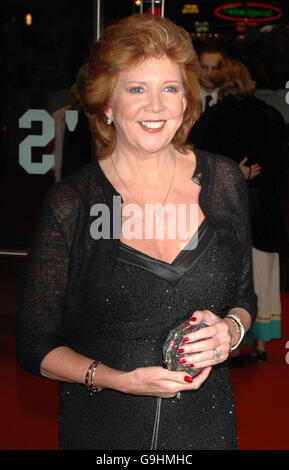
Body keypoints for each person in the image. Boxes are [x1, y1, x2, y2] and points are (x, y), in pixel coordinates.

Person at [15, 14, 256, 450]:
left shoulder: (223, 182)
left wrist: (231, 331)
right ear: (107, 104)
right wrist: (118, 380)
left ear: (187, 101)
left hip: (208, 428)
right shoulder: (72, 203)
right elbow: (35, 346)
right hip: (106, 430)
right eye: (137, 89)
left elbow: (244, 299)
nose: (157, 106)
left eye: (169, 88)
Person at [189, 58, 287, 364]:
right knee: (263, 277)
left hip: (224, 213)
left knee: (231, 275)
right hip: (264, 213)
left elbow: (199, 163)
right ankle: (259, 345)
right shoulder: (271, 116)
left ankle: (228, 338)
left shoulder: (214, 117)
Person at [198, 45, 225, 113]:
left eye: (214, 68)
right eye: (204, 67)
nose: (209, 73)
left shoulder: (230, 101)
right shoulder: (187, 97)